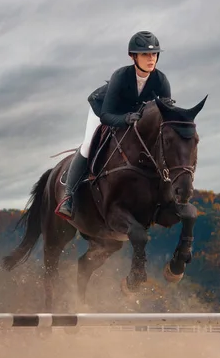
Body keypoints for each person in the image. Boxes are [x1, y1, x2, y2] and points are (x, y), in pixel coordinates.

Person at [55, 30, 173, 220]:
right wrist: (125, 119)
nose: (151, 58)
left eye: (154, 54)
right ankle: (68, 197)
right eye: (145, 54)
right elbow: (106, 116)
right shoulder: (121, 76)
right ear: (133, 56)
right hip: (103, 109)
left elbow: (166, 115)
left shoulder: (161, 80)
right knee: (87, 147)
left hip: (133, 115)